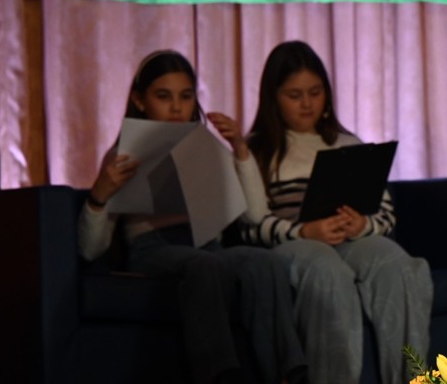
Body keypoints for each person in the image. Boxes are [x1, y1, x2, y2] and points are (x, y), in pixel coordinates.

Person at [78, 50, 307, 384]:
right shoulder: (122, 156)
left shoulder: (206, 148)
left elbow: (256, 215)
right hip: (154, 249)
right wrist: (99, 194)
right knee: (204, 266)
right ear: (140, 100)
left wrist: (240, 150)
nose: (176, 107)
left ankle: (288, 372)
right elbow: (90, 250)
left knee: (264, 263)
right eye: (163, 96)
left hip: (208, 246)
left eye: (185, 97)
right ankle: (220, 375)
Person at [240, 40, 432, 384]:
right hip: (295, 246)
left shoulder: (348, 144)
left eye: (315, 93)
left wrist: (362, 224)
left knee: (399, 266)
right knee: (326, 269)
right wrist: (303, 231)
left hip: (351, 241)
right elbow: (249, 228)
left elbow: (386, 215)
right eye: (294, 95)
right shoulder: (256, 150)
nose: (307, 103)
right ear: (273, 98)